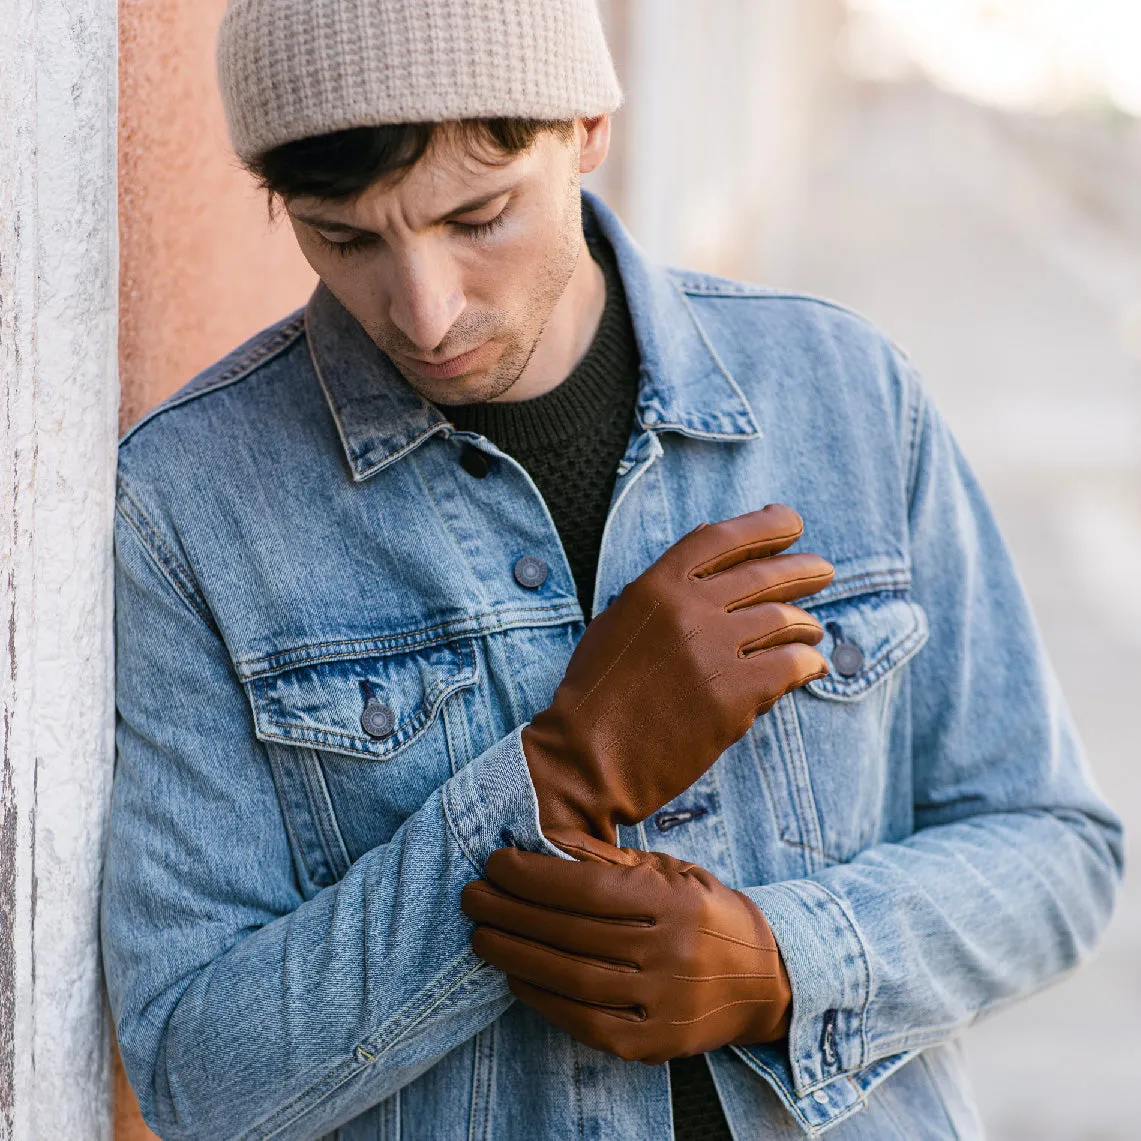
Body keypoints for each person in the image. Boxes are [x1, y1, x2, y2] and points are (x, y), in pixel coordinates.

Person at [100, 0, 1124, 1137]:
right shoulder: (192, 503)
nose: (425, 311)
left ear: (588, 128)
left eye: (478, 216)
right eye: (345, 238)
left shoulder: (841, 393)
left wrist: (783, 961)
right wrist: (556, 780)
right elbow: (199, 1073)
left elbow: (1056, 852)